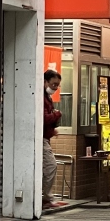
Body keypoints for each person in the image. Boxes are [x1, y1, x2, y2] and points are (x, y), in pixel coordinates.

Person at [43, 70, 64, 209]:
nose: (55, 88)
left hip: (45, 137)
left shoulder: (47, 97)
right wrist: (57, 115)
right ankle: (46, 198)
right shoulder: (41, 97)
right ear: (45, 81)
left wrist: (52, 130)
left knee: (46, 167)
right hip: (40, 138)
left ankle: (45, 198)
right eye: (53, 84)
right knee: (51, 166)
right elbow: (44, 118)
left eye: (57, 85)